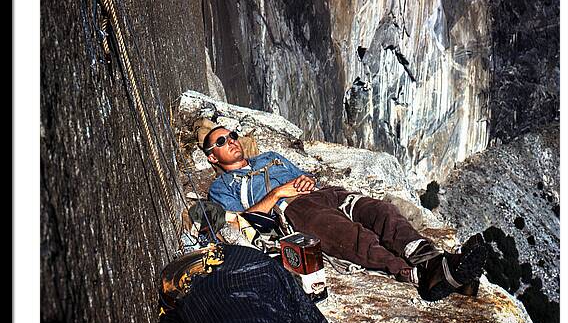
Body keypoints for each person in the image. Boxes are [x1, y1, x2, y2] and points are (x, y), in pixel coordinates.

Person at [203, 125, 487, 302]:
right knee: (350, 235)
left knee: (382, 212)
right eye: (221, 141)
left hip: (325, 193)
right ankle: (421, 275)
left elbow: (304, 176)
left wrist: (306, 180)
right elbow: (238, 222)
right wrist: (277, 194)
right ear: (212, 157)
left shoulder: (270, 158)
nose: (231, 141)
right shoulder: (221, 187)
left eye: (232, 135)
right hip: (292, 210)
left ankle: (434, 261)